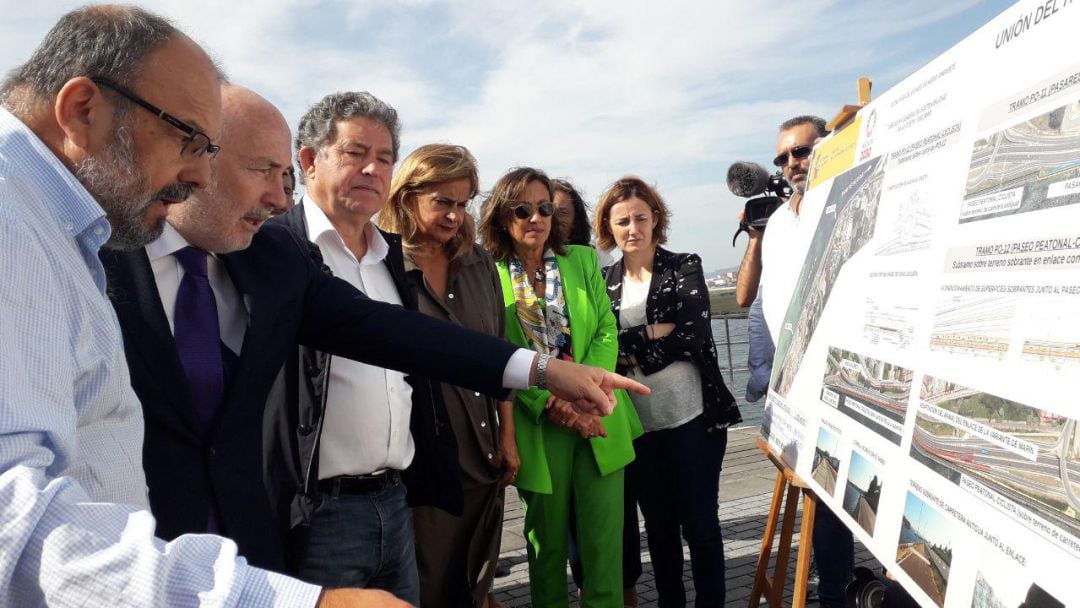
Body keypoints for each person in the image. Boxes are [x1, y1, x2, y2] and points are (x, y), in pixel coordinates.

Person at [0, 6, 404, 606]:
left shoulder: (58, 224)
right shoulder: (12, 222)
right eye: (189, 139)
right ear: (82, 109)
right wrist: (298, 602)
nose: (198, 174)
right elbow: (15, 520)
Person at [479, 167, 643, 608]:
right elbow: (496, 350)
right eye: (523, 209)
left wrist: (587, 395)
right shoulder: (486, 276)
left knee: (604, 550)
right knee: (545, 549)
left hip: (599, 416)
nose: (536, 217)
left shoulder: (581, 260)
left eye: (545, 208)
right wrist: (550, 401)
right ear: (501, 217)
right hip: (540, 424)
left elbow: (606, 330)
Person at [376, 143, 518, 608]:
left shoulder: (480, 265)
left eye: (463, 203)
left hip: (483, 457)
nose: (455, 216)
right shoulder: (382, 265)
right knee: (430, 586)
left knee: (477, 583)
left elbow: (499, 356)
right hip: (421, 466)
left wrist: (508, 436)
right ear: (407, 196)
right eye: (442, 203)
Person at [596, 176, 742, 607]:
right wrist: (653, 336)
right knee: (658, 532)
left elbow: (694, 335)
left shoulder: (683, 266)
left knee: (700, 526)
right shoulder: (604, 280)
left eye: (641, 217)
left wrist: (632, 350)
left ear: (655, 219)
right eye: (622, 220)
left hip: (691, 420)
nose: (632, 228)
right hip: (638, 427)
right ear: (609, 225)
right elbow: (601, 347)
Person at [747, 115, 855, 608]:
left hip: (846, 380)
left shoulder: (845, 201)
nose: (792, 163)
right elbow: (759, 300)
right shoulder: (778, 225)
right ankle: (832, 587)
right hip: (796, 386)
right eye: (783, 157)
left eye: (803, 151)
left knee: (848, 500)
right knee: (819, 501)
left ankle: (840, 593)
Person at [552, 178, 615, 267]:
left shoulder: (596, 256)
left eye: (563, 213)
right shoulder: (528, 256)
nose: (555, 219)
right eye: (548, 211)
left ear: (575, 219)